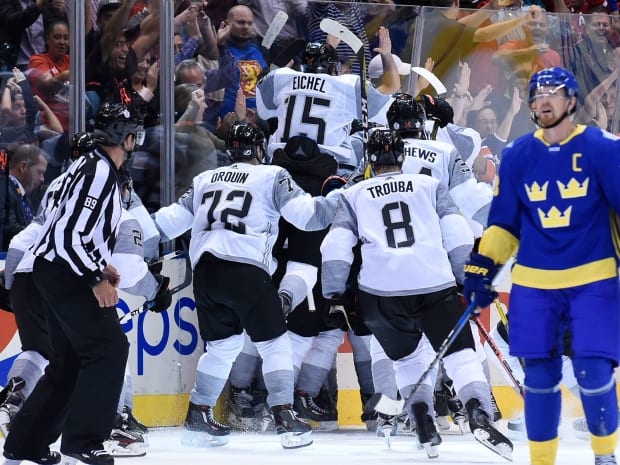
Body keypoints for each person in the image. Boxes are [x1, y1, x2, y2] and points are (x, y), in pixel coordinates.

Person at [321, 127, 513, 460]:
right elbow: (456, 231)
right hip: (432, 283)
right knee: (460, 354)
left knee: (407, 360)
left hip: (380, 294)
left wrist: (335, 295)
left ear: (369, 160)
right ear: (402, 157)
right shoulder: (429, 185)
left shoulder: (353, 194)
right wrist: (464, 275)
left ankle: (422, 416)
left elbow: (336, 246)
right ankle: (478, 412)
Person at [463, 66, 620, 465]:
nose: (544, 100)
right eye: (537, 94)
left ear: (572, 101)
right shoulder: (518, 155)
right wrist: (483, 265)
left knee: (593, 372)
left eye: (553, 93)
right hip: (533, 287)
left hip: (594, 282)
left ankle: (605, 456)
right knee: (539, 379)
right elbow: (504, 224)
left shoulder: (603, 148)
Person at [152, 121, 339, 450]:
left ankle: (198, 414)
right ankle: (284, 415)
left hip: (206, 272)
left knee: (222, 347)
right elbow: (309, 217)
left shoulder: (205, 179)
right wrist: (339, 195)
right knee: (275, 344)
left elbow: (166, 223)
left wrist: (127, 235)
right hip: (245, 269)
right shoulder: (272, 175)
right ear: (260, 148)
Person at [1, 103, 145, 465]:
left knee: (66, 362)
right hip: (66, 272)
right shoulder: (100, 171)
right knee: (108, 348)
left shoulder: (85, 165)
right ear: (127, 138)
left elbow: (65, 229)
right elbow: (69, 234)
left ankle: (25, 443)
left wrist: (100, 263)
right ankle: (83, 441)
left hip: (51, 268)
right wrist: (95, 277)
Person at [0, 144, 47, 250]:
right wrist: (41, 232)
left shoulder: (21, 195)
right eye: (39, 172)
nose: (42, 179)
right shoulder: (4, 189)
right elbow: (7, 228)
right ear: (23, 167)